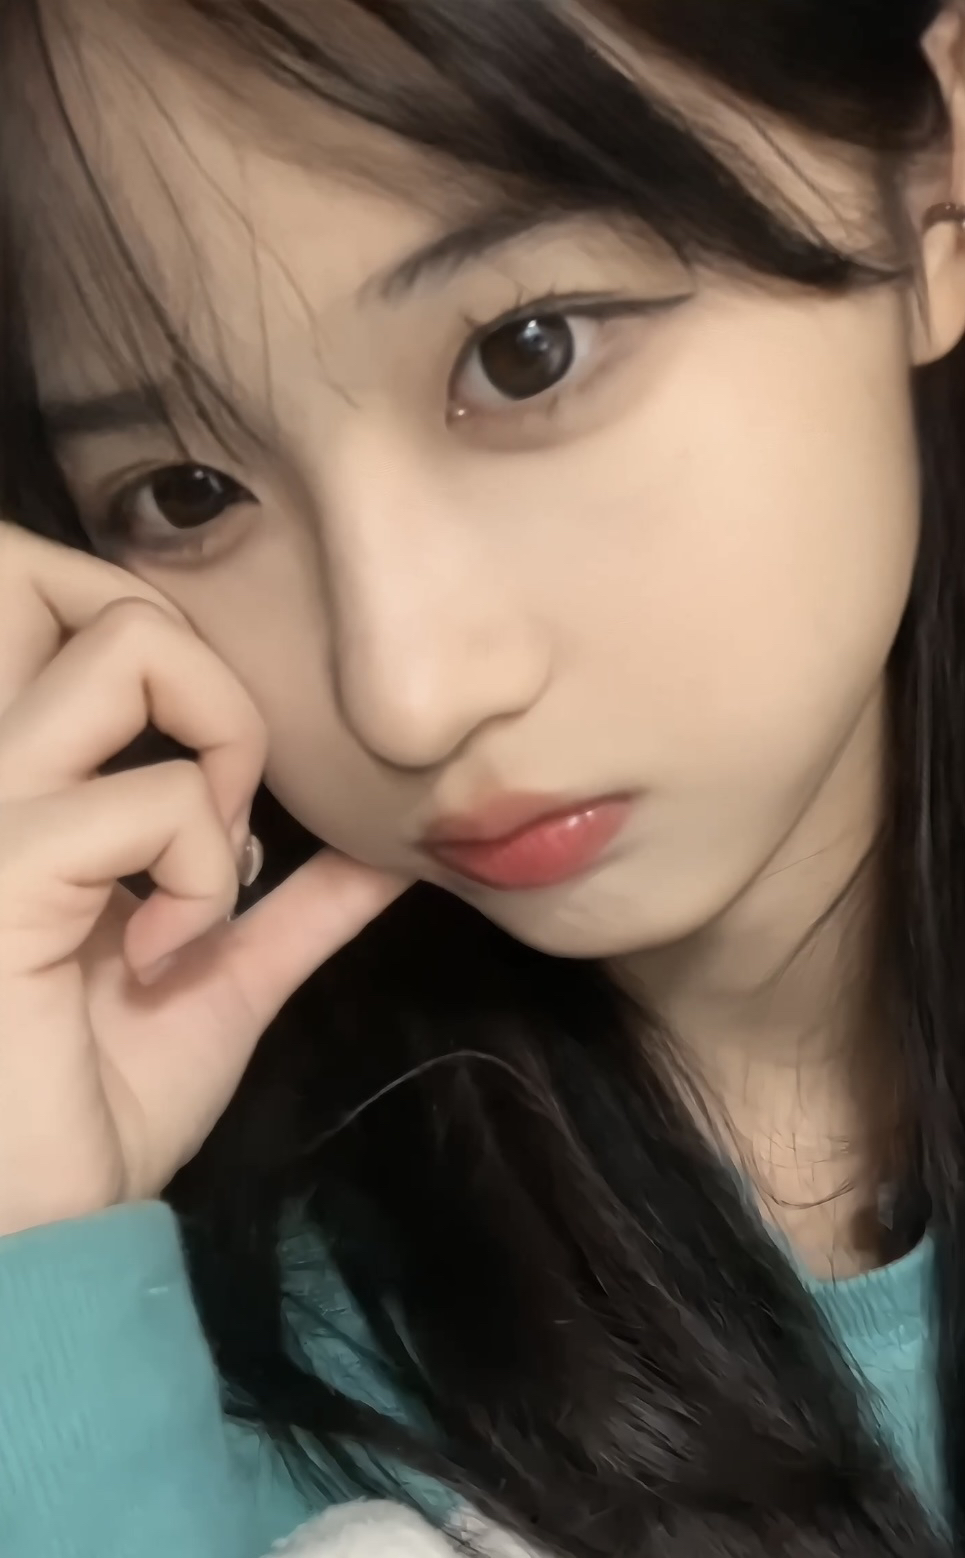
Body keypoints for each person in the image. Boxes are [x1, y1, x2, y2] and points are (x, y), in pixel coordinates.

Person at [1, 0, 965, 1553]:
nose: (404, 693)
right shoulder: (220, 1403)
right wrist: (33, 1255)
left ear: (932, 185)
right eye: (184, 493)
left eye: (528, 353)